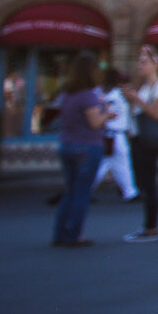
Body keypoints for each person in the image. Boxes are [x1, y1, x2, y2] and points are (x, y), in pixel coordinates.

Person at [52, 52, 108, 247]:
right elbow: (95, 123)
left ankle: (60, 233)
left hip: (67, 144)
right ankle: (74, 234)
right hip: (87, 146)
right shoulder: (88, 95)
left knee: (70, 190)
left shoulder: (67, 95)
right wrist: (106, 114)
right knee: (82, 192)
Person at [123, 46, 158, 243]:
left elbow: (156, 114)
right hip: (138, 138)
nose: (139, 65)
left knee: (148, 182)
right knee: (144, 182)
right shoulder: (145, 87)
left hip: (148, 141)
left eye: (144, 62)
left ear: (156, 64)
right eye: (139, 61)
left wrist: (136, 99)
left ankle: (151, 226)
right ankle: (148, 225)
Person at [93, 67, 138, 202]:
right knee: (118, 162)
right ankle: (129, 192)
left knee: (108, 163)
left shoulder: (99, 93)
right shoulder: (114, 95)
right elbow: (113, 114)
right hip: (114, 134)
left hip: (109, 133)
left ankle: (130, 191)